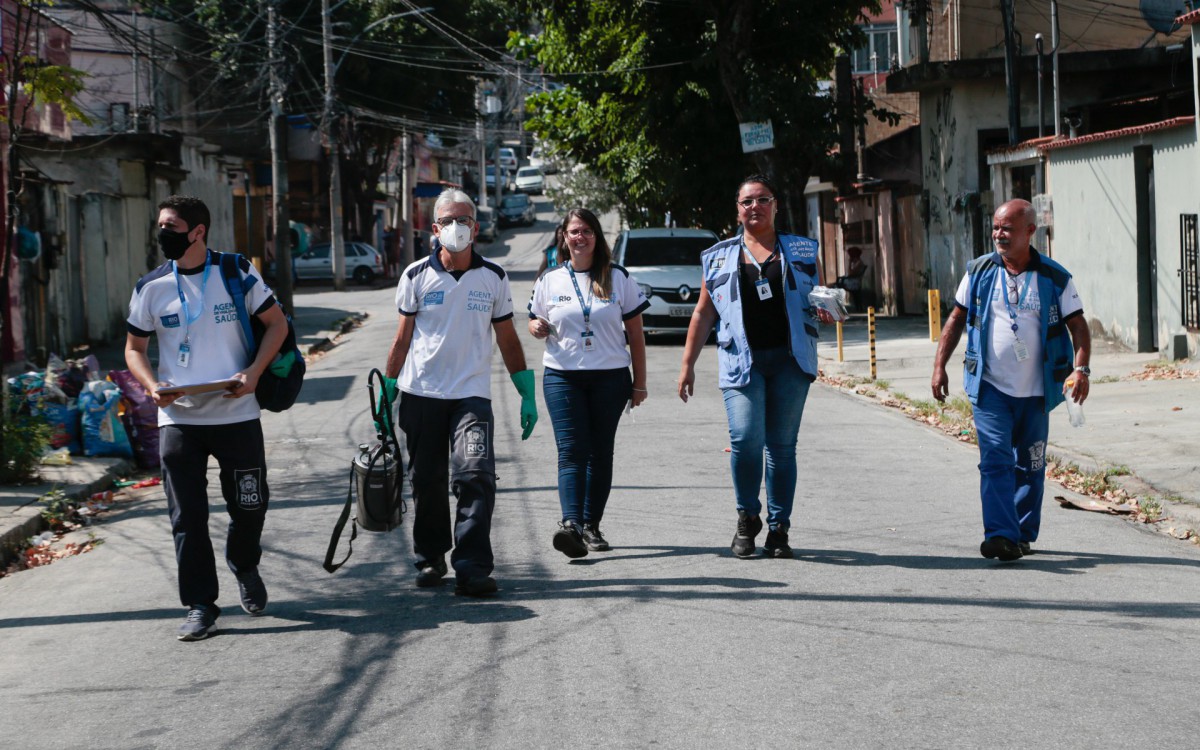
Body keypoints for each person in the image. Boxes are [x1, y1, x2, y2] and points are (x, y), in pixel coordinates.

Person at [125, 195, 289, 641]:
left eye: (172, 226)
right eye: (161, 225)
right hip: (179, 419)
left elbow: (277, 324)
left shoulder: (235, 271)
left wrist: (254, 373)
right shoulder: (151, 286)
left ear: (198, 231)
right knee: (187, 518)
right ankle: (200, 605)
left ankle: (245, 564)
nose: (163, 233)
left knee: (250, 506)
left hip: (237, 412)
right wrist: (151, 385)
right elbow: (134, 349)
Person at [382, 188, 538, 597]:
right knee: (427, 480)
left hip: (471, 396)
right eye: (448, 221)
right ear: (435, 230)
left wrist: (525, 390)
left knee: (475, 475)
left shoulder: (493, 277)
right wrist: (388, 388)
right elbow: (402, 339)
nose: (456, 227)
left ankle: (471, 566)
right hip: (421, 393)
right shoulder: (415, 275)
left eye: (463, 220)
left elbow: (507, 337)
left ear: (476, 227)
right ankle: (431, 557)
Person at [677, 175, 834, 559]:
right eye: (747, 201)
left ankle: (779, 529)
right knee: (746, 440)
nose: (755, 207)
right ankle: (747, 516)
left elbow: (820, 296)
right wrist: (687, 365)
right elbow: (703, 312)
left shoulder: (801, 249)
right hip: (741, 361)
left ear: (775, 205)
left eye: (763, 199)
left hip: (791, 361)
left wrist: (829, 309)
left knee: (782, 448)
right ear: (737, 210)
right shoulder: (718, 257)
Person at [931, 198, 1091, 562]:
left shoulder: (1055, 277)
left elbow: (1078, 327)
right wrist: (939, 366)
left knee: (1030, 465)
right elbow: (956, 319)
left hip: (1037, 391)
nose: (999, 234)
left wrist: (1080, 369)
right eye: (996, 227)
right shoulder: (979, 271)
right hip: (989, 387)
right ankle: (1000, 535)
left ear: (1030, 231)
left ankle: (1021, 534)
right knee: (995, 459)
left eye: (1007, 228)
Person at [528, 208, 650, 557]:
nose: (580, 237)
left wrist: (639, 384)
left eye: (586, 231)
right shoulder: (550, 279)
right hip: (562, 377)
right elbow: (534, 320)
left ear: (596, 236)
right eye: (574, 232)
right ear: (564, 238)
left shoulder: (617, 277)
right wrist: (535, 327)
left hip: (610, 378)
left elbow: (636, 334)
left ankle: (591, 524)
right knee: (571, 450)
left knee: (599, 452)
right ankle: (571, 526)